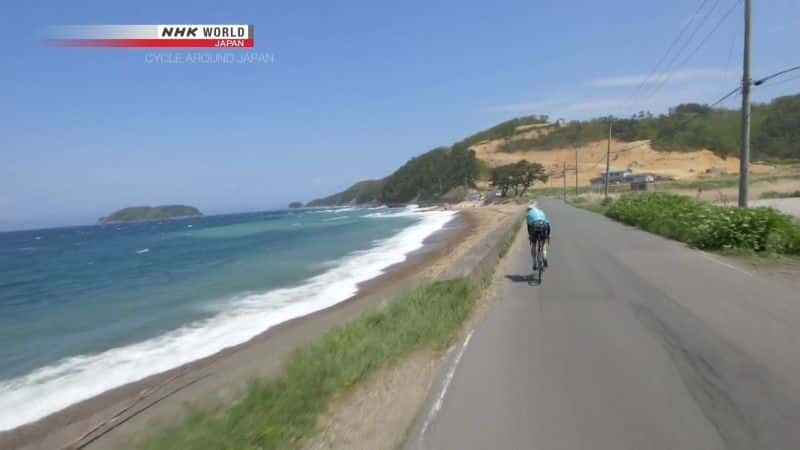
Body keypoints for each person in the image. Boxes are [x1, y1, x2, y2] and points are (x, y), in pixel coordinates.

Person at [526, 202, 550, 270]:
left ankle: (534, 263)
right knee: (544, 242)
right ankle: (544, 255)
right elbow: (547, 224)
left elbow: (529, 227)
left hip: (534, 226)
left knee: (533, 244)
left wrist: (530, 236)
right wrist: (548, 235)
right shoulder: (541, 211)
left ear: (529, 209)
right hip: (543, 225)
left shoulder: (528, 214)